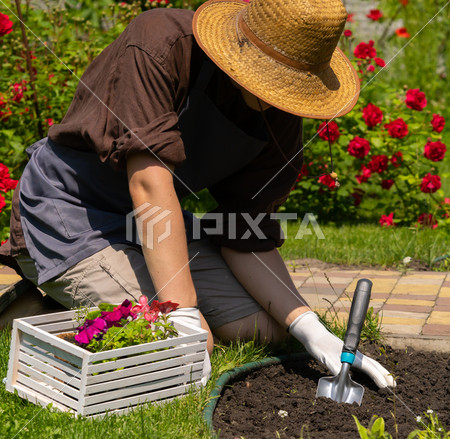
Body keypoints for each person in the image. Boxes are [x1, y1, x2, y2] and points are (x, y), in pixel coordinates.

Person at [0, 0, 395, 388]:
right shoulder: (160, 44)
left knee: (263, 329)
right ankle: (32, 308)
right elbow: (149, 182)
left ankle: (63, 303)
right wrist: (184, 312)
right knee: (191, 343)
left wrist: (311, 329)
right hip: (71, 211)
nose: (277, 96)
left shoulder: (282, 117)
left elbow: (245, 228)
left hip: (152, 227)